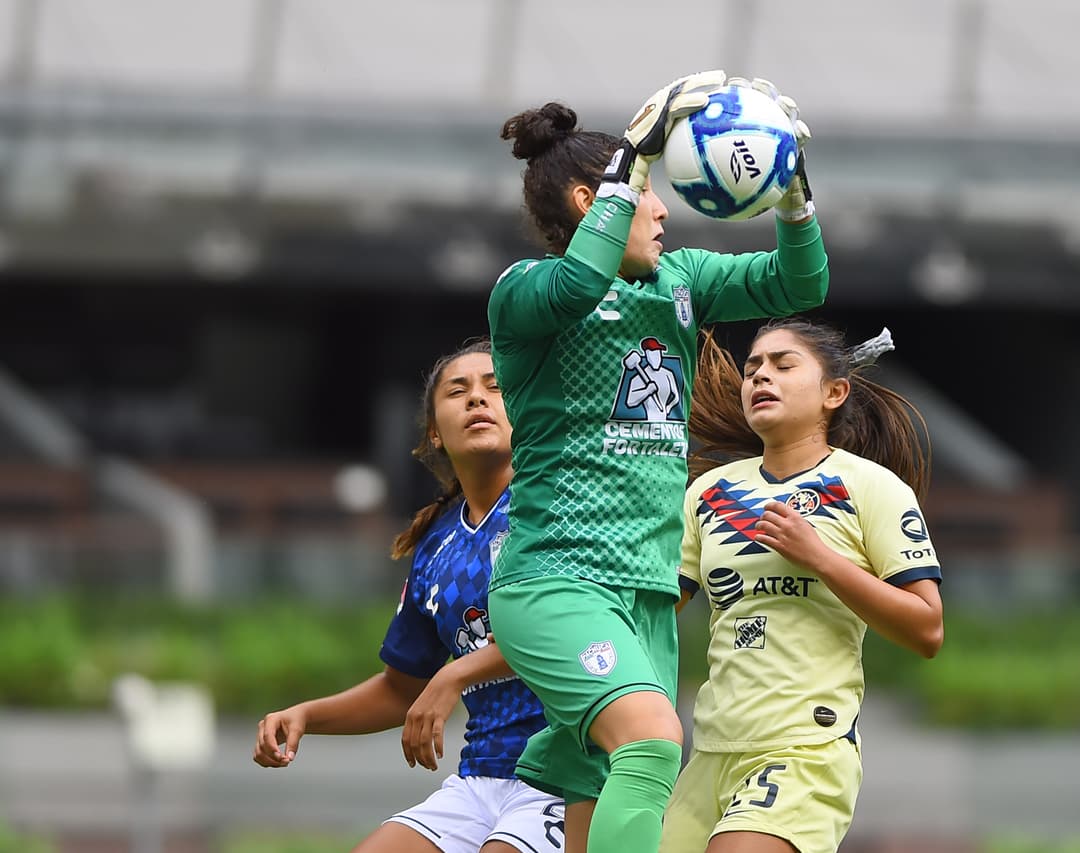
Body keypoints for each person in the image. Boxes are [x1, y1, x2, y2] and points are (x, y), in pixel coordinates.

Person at [485, 71, 829, 853]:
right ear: (592, 201)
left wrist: (792, 194)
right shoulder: (526, 290)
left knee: (600, 784)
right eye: (649, 191)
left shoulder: (680, 279)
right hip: (557, 580)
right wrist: (632, 158)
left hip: (644, 594)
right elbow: (579, 284)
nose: (666, 208)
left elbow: (802, 282)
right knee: (650, 741)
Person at [252, 339, 566, 853]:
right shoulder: (438, 542)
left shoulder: (554, 508)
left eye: (496, 387)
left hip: (561, 775)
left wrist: (454, 673)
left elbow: (562, 633)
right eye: (458, 391)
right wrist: (307, 715)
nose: (477, 399)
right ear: (434, 434)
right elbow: (403, 690)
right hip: (479, 780)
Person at [661, 319, 945, 853]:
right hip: (711, 750)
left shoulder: (870, 487)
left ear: (834, 393)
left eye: (782, 365)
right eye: (752, 369)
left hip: (804, 749)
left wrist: (820, 558)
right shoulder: (707, 492)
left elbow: (927, 629)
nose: (760, 377)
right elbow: (656, 615)